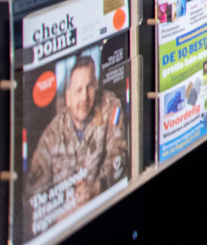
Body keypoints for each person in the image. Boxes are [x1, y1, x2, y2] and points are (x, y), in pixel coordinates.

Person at [24, 56, 129, 225]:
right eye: (78, 90)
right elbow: (32, 197)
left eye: (89, 87)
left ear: (96, 86)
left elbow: (119, 156)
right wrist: (58, 214)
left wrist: (98, 187)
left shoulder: (110, 106)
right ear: (68, 97)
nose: (85, 97)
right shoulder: (51, 135)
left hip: (104, 211)